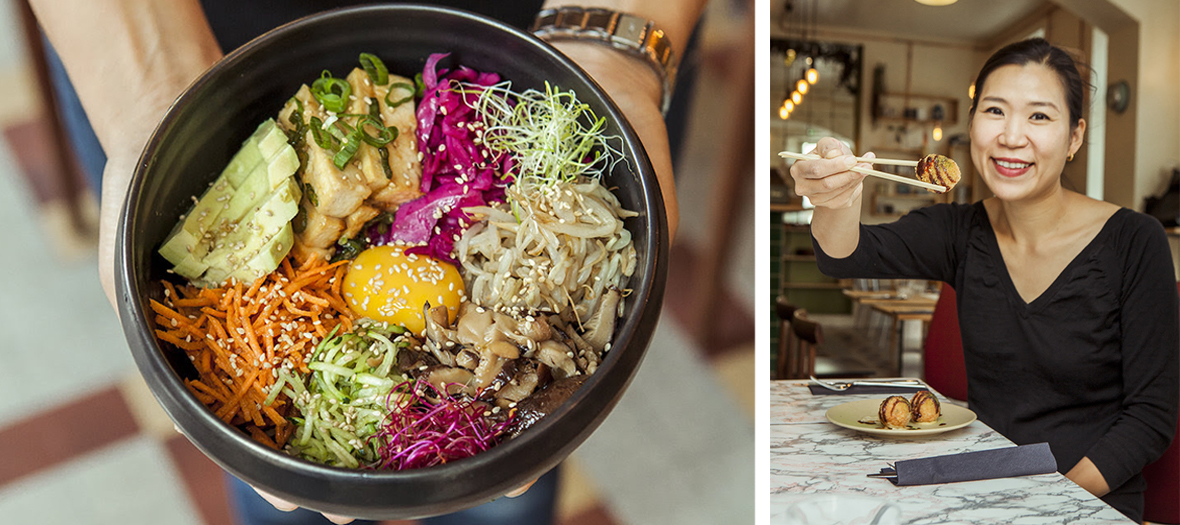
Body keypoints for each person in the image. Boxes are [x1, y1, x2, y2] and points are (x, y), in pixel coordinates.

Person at [26, 0, 705, 523]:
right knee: (278, 482)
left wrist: (610, 42)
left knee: (510, 478)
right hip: (158, 35)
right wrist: (154, 95)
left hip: (537, 35)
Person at [789, 37, 1179, 523]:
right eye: (995, 110)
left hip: (1089, 501)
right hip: (982, 486)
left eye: (1039, 116)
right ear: (972, 123)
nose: (1012, 136)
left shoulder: (1134, 241)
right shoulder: (958, 231)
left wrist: (1050, 500)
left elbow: (1151, 417)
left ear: (1075, 136)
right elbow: (843, 255)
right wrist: (835, 199)